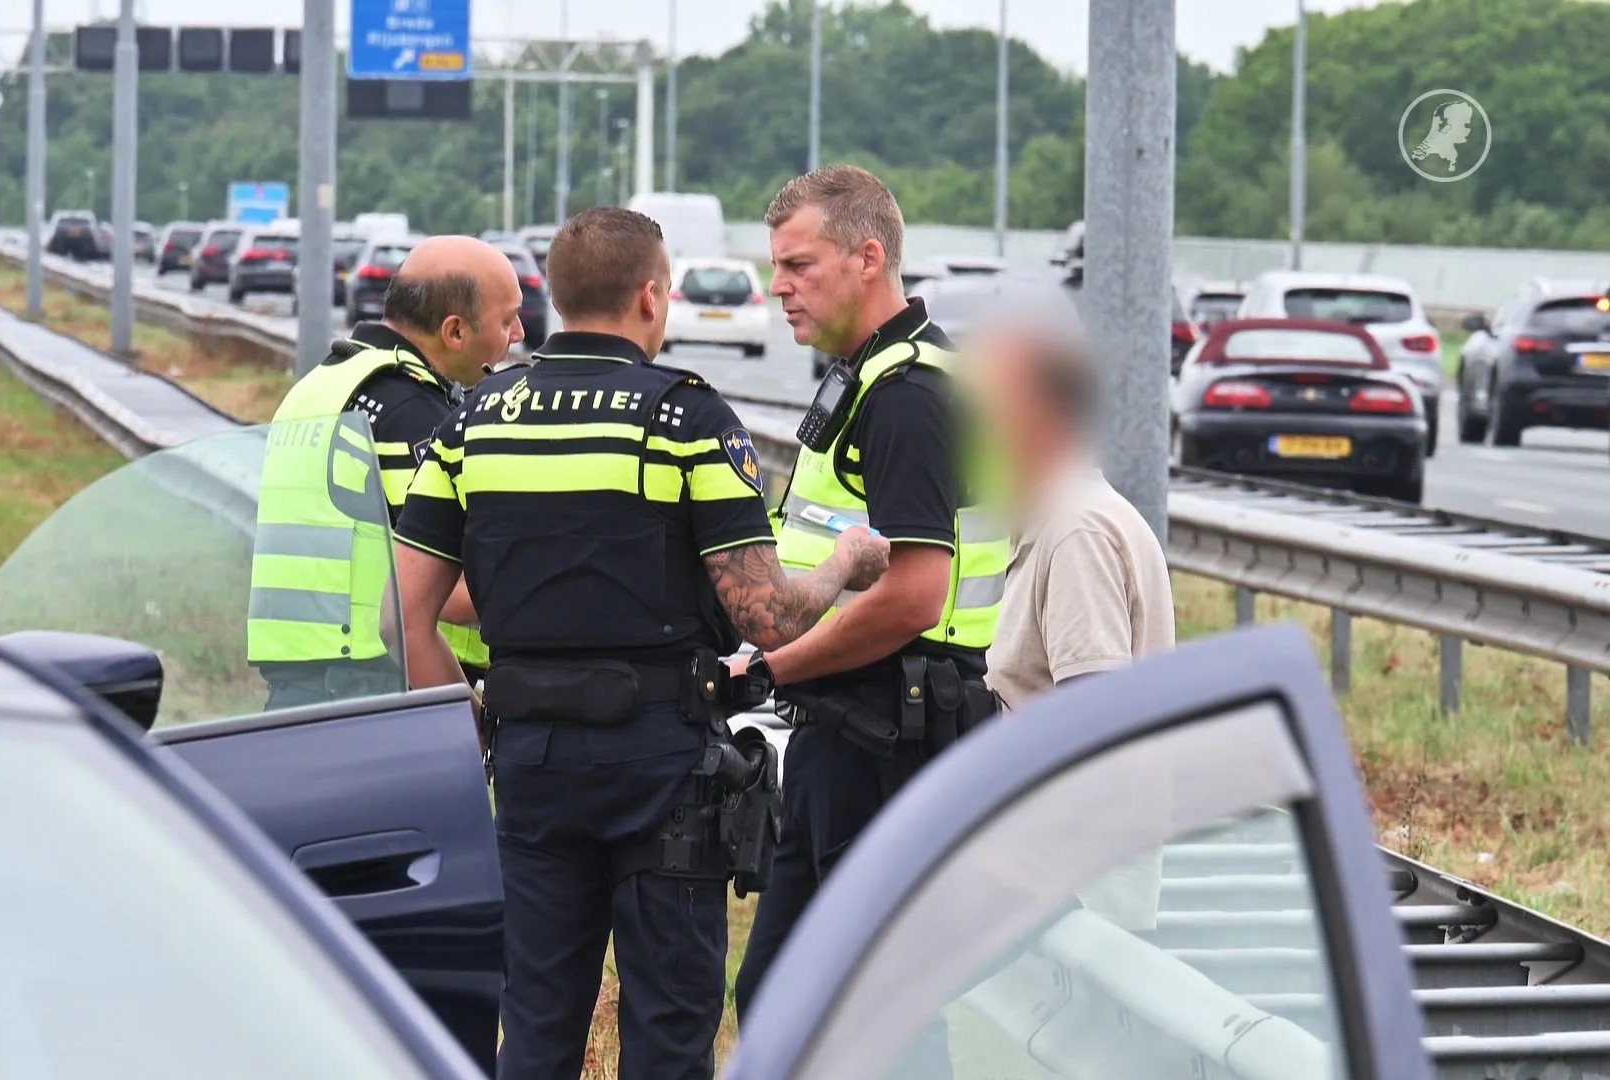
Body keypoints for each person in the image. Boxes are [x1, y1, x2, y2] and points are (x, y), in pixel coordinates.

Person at [392, 206, 889, 1080]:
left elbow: (410, 613)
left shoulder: (472, 424)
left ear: (551, 296)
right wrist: (846, 561)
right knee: (667, 1027)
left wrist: (462, 724)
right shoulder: (685, 419)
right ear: (653, 298)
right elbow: (766, 617)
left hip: (532, 762)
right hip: (660, 765)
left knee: (538, 1022)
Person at [732, 165, 1009, 1042]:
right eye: (775, 266)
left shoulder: (906, 397)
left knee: (869, 1021)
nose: (778, 286)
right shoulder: (875, 375)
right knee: (801, 1006)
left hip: (889, 744)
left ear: (868, 257)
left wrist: (771, 669)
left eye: (798, 265)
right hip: (856, 734)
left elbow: (915, 597)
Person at [973, 274, 1176, 931]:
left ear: (1038, 412)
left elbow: (1090, 725)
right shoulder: (1052, 518)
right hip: (1060, 881)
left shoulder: (1075, 530)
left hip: (1077, 893)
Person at [247, 235, 523, 711]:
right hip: (377, 694)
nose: (518, 333)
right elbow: (448, 593)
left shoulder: (325, 384)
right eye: (507, 319)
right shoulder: (411, 413)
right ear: (455, 331)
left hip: (301, 687)